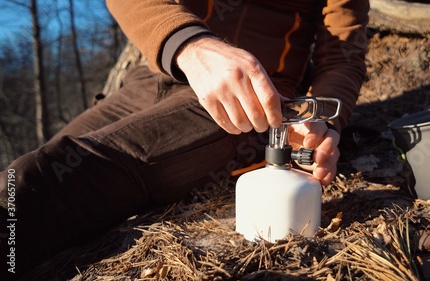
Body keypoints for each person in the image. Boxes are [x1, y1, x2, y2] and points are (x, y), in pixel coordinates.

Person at [0, 0, 369, 278]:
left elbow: (343, 57)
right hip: (150, 78)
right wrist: (191, 46)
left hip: (246, 106)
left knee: (43, 178)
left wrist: (321, 124)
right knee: (17, 180)